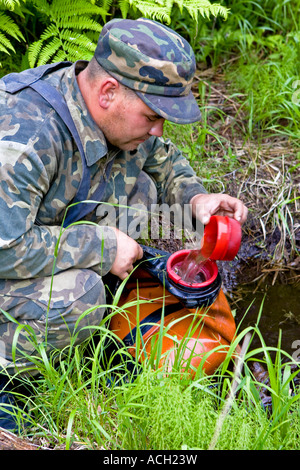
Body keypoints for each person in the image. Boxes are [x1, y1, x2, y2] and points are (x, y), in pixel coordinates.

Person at [0, 17, 247, 430]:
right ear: (109, 92)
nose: (158, 128)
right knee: (81, 294)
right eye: (151, 116)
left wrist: (195, 197)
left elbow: (162, 157)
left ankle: (86, 331)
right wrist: (102, 247)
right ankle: (13, 385)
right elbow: (5, 249)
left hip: (35, 237)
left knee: (139, 193)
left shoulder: (113, 114)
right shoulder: (26, 138)